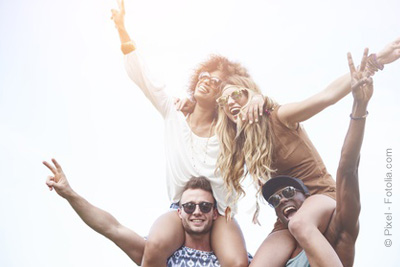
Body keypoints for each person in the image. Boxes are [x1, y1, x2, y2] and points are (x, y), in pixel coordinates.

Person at [214, 40, 400, 267]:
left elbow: (326, 96)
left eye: (237, 94)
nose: (230, 102)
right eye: (224, 100)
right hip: (286, 213)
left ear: (251, 94)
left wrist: (375, 62)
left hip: (320, 196)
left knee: (300, 224)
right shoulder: (238, 146)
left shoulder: (280, 117)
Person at [110, 0, 263, 266]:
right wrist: (122, 29)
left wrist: (257, 98)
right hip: (182, 208)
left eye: (217, 82)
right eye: (205, 76)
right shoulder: (174, 113)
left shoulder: (232, 130)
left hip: (221, 212)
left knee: (238, 264)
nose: (208, 81)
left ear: (225, 94)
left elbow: (260, 122)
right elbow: (142, 76)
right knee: (155, 244)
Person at [261, 49, 374, 266]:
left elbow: (348, 166)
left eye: (288, 192)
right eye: (275, 200)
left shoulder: (337, 233)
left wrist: (359, 107)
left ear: (308, 197)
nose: (282, 199)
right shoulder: (285, 253)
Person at [43, 161, 250, 266]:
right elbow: (111, 228)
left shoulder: (228, 258)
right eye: (189, 206)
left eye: (204, 207)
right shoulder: (163, 256)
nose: (197, 211)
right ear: (179, 212)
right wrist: (70, 194)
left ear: (215, 213)